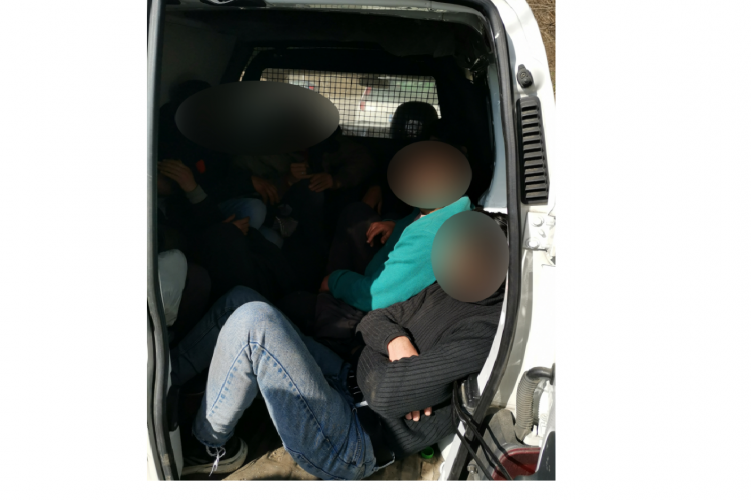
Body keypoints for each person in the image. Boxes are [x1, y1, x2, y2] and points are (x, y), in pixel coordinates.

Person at [179, 210, 508, 479]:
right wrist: (395, 340)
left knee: (254, 321)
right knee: (240, 299)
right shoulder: (447, 286)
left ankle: (210, 446)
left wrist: (383, 355)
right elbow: (373, 320)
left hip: (354, 441)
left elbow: (383, 394)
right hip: (347, 379)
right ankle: (167, 379)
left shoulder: (485, 330)